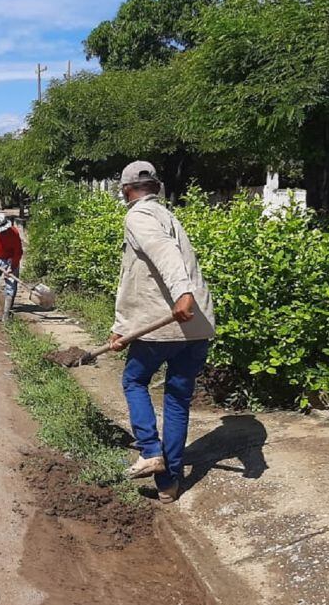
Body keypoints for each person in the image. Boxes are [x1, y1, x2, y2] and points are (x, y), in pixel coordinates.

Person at [108, 161, 216, 504]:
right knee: (177, 400)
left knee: (134, 381)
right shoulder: (168, 216)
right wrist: (121, 328)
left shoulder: (138, 216)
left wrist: (183, 293)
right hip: (196, 327)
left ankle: (150, 450)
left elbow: (164, 254)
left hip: (167, 325)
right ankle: (169, 485)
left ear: (126, 190)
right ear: (157, 188)